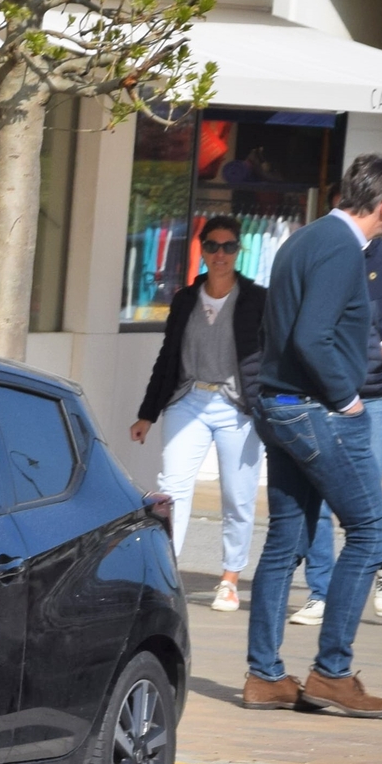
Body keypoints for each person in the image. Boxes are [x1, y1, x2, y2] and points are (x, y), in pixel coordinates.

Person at [241, 153, 382, 719]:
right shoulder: (340, 248)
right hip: (313, 408)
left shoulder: (304, 238)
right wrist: (348, 397)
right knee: (370, 531)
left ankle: (264, 677)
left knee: (286, 538)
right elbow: (312, 336)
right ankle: (332, 674)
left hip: (280, 404)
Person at [282, 174, 382, 626]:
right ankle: (320, 591)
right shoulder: (321, 251)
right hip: (319, 394)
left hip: (370, 397)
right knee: (318, 491)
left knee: (361, 494)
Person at [130, 214, 265, 613]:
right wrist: (147, 413)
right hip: (188, 400)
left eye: (228, 247)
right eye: (212, 246)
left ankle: (229, 578)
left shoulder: (257, 299)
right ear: (202, 250)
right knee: (172, 489)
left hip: (236, 408)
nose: (220, 255)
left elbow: (269, 356)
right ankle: (167, 574)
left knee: (237, 497)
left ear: (238, 251)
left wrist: (267, 406)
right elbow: (167, 358)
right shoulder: (186, 299)